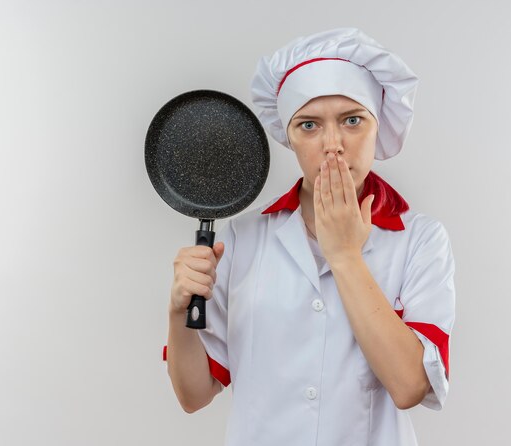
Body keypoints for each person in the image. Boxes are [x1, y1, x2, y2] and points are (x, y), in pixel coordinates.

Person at [164, 28, 456, 446]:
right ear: (290, 137)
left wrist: (345, 256)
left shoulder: (421, 240)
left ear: (379, 126)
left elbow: (411, 386)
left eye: (352, 120)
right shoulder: (243, 239)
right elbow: (193, 395)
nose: (333, 145)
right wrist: (177, 314)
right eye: (309, 125)